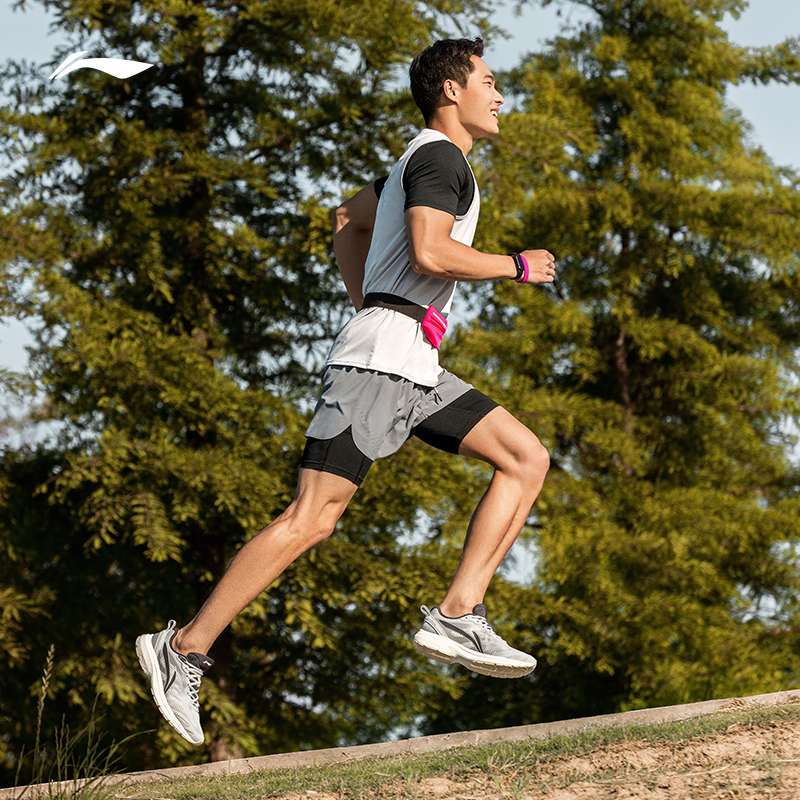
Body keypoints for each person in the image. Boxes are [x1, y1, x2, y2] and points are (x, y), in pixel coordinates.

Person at [136, 37, 555, 747]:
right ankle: (181, 651)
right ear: (450, 92)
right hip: (379, 365)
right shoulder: (440, 158)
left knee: (524, 457)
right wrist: (515, 265)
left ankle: (459, 612)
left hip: (412, 363)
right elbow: (430, 250)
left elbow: (344, 219)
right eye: (488, 81)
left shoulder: (414, 162)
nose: (500, 94)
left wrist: (374, 300)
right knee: (313, 518)